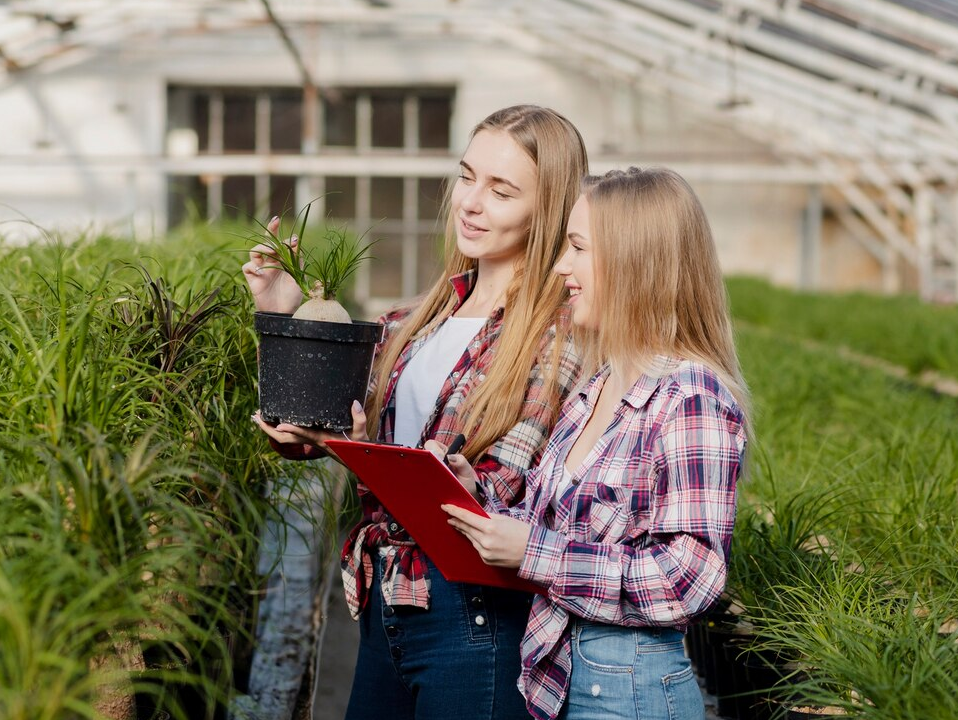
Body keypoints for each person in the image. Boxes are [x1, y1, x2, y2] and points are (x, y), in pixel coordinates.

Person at [243, 105, 588, 719]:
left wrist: (447, 479)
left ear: (549, 211)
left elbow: (499, 492)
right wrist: (292, 320)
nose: (471, 203)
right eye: (467, 176)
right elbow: (333, 428)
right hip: (386, 603)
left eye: (501, 190)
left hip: (473, 619)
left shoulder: (556, 337)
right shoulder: (412, 322)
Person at [442, 167, 750, 720]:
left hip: (629, 688)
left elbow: (691, 575)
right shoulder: (598, 385)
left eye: (578, 248)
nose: (562, 266)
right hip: (565, 675)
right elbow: (560, 530)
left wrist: (535, 554)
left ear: (634, 261)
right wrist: (478, 501)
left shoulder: (690, 397)